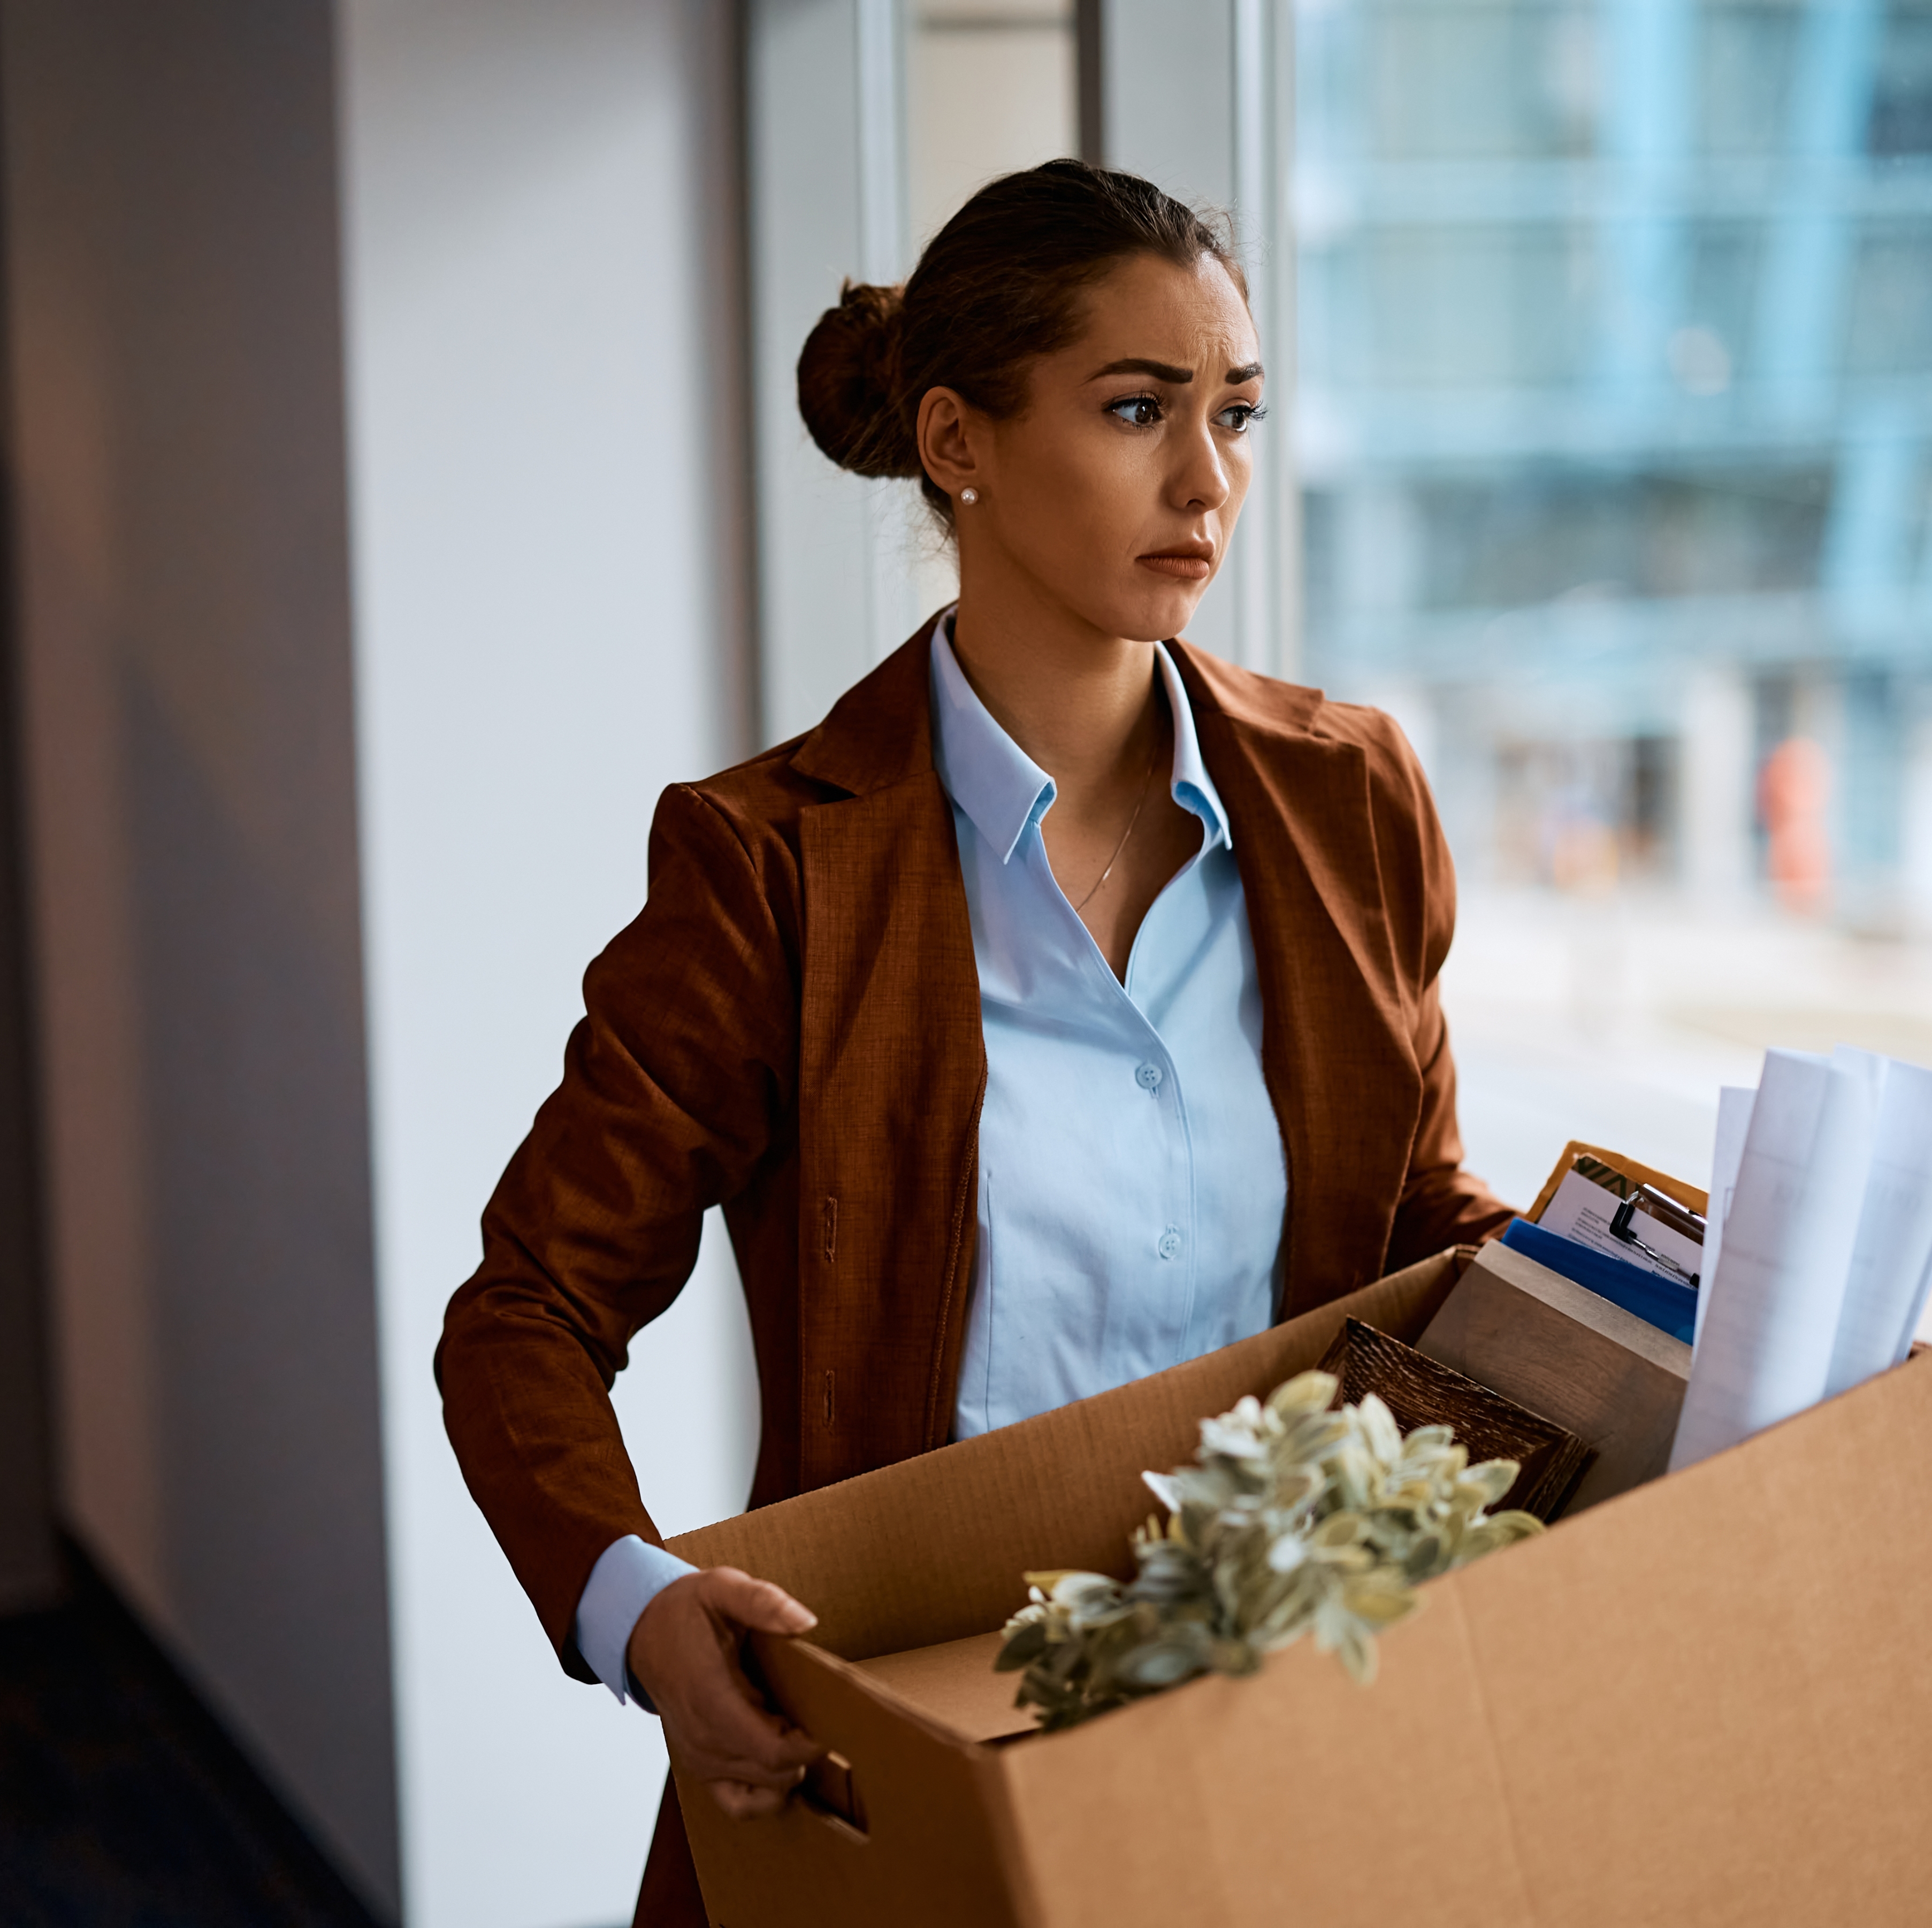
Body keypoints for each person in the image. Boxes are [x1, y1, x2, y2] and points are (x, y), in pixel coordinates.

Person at [436, 159, 1511, 1927]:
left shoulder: (1350, 799)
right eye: (1136, 410)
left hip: (1286, 1740)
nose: (1209, 478)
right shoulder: (774, 864)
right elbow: (526, 1314)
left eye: (1233, 412)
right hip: (909, 1751)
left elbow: (1414, 1227)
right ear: (959, 441)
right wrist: (637, 1602)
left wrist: (1649, 1313)